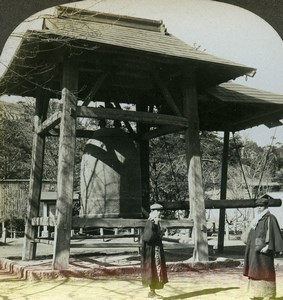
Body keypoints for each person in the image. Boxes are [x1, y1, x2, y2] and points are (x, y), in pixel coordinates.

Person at [243, 197, 283, 300]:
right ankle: (255, 294)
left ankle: (268, 294)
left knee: (265, 271)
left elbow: (274, 234)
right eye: (257, 206)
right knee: (254, 271)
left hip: (264, 252)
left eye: (261, 206)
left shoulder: (270, 218)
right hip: (253, 252)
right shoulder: (256, 219)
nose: (258, 208)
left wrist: (268, 247)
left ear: (266, 206)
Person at [141, 203, 168, 299]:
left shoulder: (155, 222)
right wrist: (157, 231)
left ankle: (153, 292)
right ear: (153, 212)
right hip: (151, 251)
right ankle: (151, 293)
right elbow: (148, 238)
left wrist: (160, 232)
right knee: (152, 270)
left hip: (155, 250)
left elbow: (155, 235)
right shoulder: (151, 222)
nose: (160, 213)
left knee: (156, 270)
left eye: (160, 211)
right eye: (158, 211)